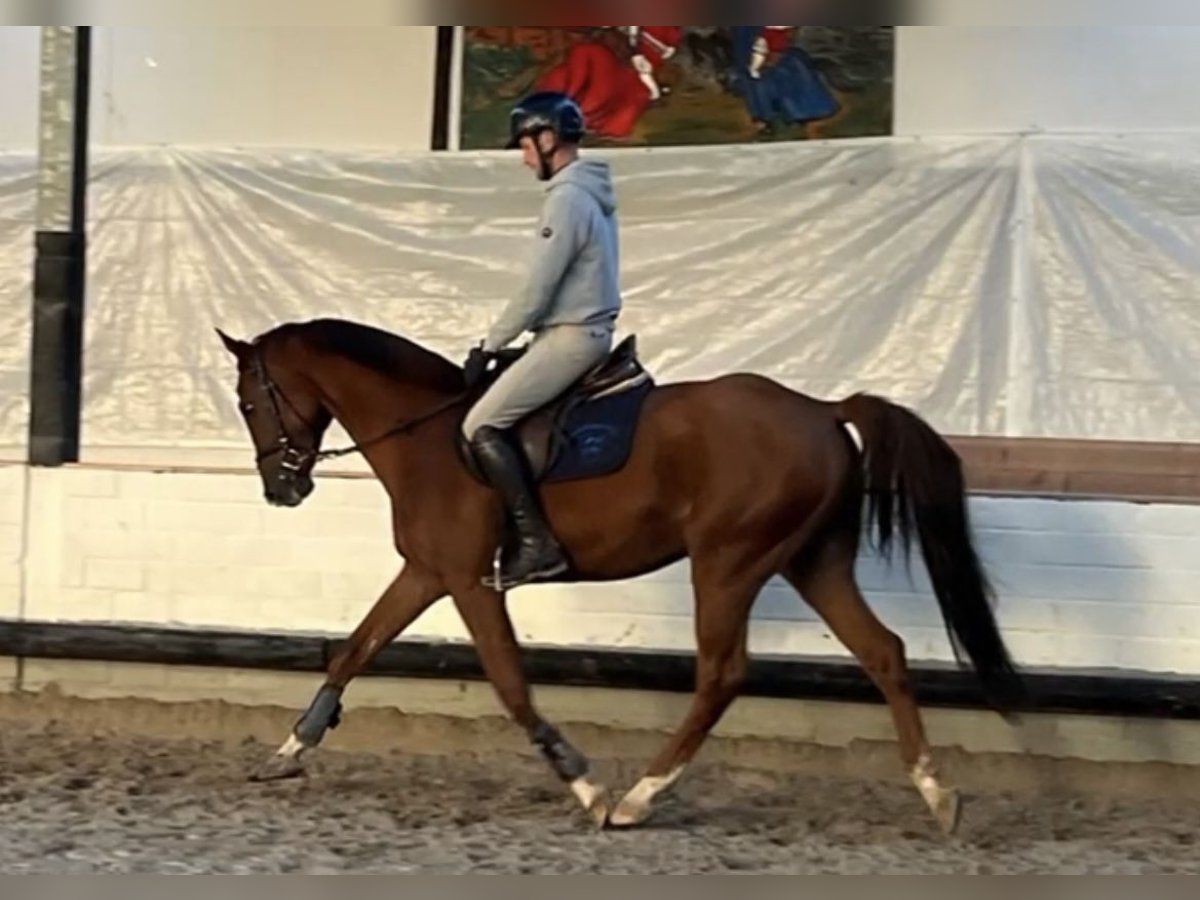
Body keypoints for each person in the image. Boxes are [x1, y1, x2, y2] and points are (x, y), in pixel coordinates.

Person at [461, 91, 622, 592]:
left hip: (572, 337)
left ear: (548, 138)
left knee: (480, 424)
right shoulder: (586, 194)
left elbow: (537, 288)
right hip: (571, 330)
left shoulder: (568, 198)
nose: (524, 157)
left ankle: (536, 545)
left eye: (526, 146)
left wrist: (489, 345)